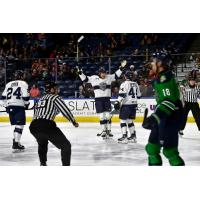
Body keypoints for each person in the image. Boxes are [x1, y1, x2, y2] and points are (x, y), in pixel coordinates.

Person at [142, 52, 185, 166]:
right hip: (163, 116)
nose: (151, 63)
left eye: (153, 60)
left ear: (160, 63)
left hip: (170, 117)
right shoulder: (161, 76)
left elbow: (169, 101)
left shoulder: (164, 78)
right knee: (152, 149)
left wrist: (153, 118)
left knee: (170, 152)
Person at [29, 82, 79, 166]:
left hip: (33, 126)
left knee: (42, 143)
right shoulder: (55, 97)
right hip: (46, 124)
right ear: (51, 89)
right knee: (66, 146)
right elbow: (65, 110)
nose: (57, 90)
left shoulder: (41, 99)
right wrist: (73, 121)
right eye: (55, 88)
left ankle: (43, 163)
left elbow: (38, 113)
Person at [77, 60, 127, 139]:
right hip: (98, 100)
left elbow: (116, 75)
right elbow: (85, 79)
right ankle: (104, 130)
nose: (104, 74)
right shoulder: (94, 78)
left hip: (107, 99)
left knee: (108, 116)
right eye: (102, 73)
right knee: (101, 116)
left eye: (105, 72)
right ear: (99, 73)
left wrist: (121, 68)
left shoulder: (109, 77)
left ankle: (109, 131)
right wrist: (80, 73)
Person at [1, 70, 30, 152]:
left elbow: (3, 97)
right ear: (21, 76)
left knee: (17, 125)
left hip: (10, 107)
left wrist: (6, 106)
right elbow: (25, 97)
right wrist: (27, 104)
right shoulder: (23, 83)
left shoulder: (8, 84)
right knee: (20, 125)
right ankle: (16, 143)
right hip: (18, 106)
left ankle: (16, 141)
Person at [114, 70, 141, 143]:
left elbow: (122, 95)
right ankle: (133, 136)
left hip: (126, 105)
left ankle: (124, 137)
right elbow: (139, 96)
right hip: (134, 104)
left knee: (123, 120)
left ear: (125, 76)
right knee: (130, 120)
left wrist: (117, 102)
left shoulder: (124, 84)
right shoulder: (136, 84)